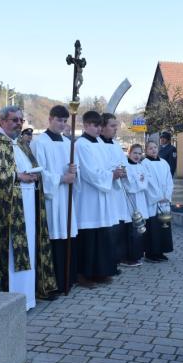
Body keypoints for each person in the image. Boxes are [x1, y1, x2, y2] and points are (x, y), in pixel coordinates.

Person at [0, 106, 57, 308]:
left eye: (21, 120)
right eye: (14, 120)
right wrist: (18, 176)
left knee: (29, 250)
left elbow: (31, 168)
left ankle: (27, 298)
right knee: (11, 256)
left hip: (28, 207)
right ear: (3, 121)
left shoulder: (22, 145)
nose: (18, 124)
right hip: (3, 214)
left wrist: (35, 175)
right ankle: (7, 303)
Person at [30, 105, 79, 295]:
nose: (62, 124)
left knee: (67, 237)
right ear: (50, 119)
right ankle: (52, 283)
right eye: (59, 120)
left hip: (66, 198)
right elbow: (38, 172)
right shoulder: (39, 143)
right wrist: (61, 178)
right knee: (53, 238)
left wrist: (74, 172)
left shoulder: (68, 143)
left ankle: (67, 279)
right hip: (51, 200)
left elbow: (73, 168)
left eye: (65, 121)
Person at [73, 111, 121, 286]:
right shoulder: (81, 144)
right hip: (88, 198)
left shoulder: (100, 142)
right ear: (85, 125)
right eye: (94, 125)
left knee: (101, 236)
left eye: (100, 125)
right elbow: (89, 172)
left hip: (103, 196)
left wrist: (116, 171)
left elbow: (108, 163)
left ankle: (100, 272)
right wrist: (110, 175)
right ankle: (83, 274)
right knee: (88, 237)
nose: (98, 128)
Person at [100, 113, 130, 270]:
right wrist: (112, 173)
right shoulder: (97, 145)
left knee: (117, 228)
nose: (115, 129)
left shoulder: (116, 145)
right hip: (105, 192)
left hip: (117, 193)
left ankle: (115, 261)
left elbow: (124, 163)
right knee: (106, 230)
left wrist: (124, 172)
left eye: (116, 126)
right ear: (102, 127)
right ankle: (107, 264)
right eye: (112, 126)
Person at [141, 140, 174, 262]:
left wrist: (167, 195)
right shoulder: (144, 163)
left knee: (163, 227)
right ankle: (150, 253)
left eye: (155, 147)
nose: (153, 150)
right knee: (153, 227)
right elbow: (148, 183)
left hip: (164, 201)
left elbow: (169, 180)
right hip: (153, 201)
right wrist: (158, 197)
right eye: (150, 148)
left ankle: (160, 251)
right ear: (146, 150)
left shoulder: (164, 162)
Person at [121, 144, 149, 266]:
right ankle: (128, 258)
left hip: (140, 201)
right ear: (129, 153)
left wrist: (133, 180)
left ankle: (137, 255)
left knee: (138, 230)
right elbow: (128, 187)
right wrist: (137, 180)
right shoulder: (124, 167)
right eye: (135, 153)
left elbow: (145, 184)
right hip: (129, 201)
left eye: (139, 153)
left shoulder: (142, 167)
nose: (137, 156)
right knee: (130, 230)